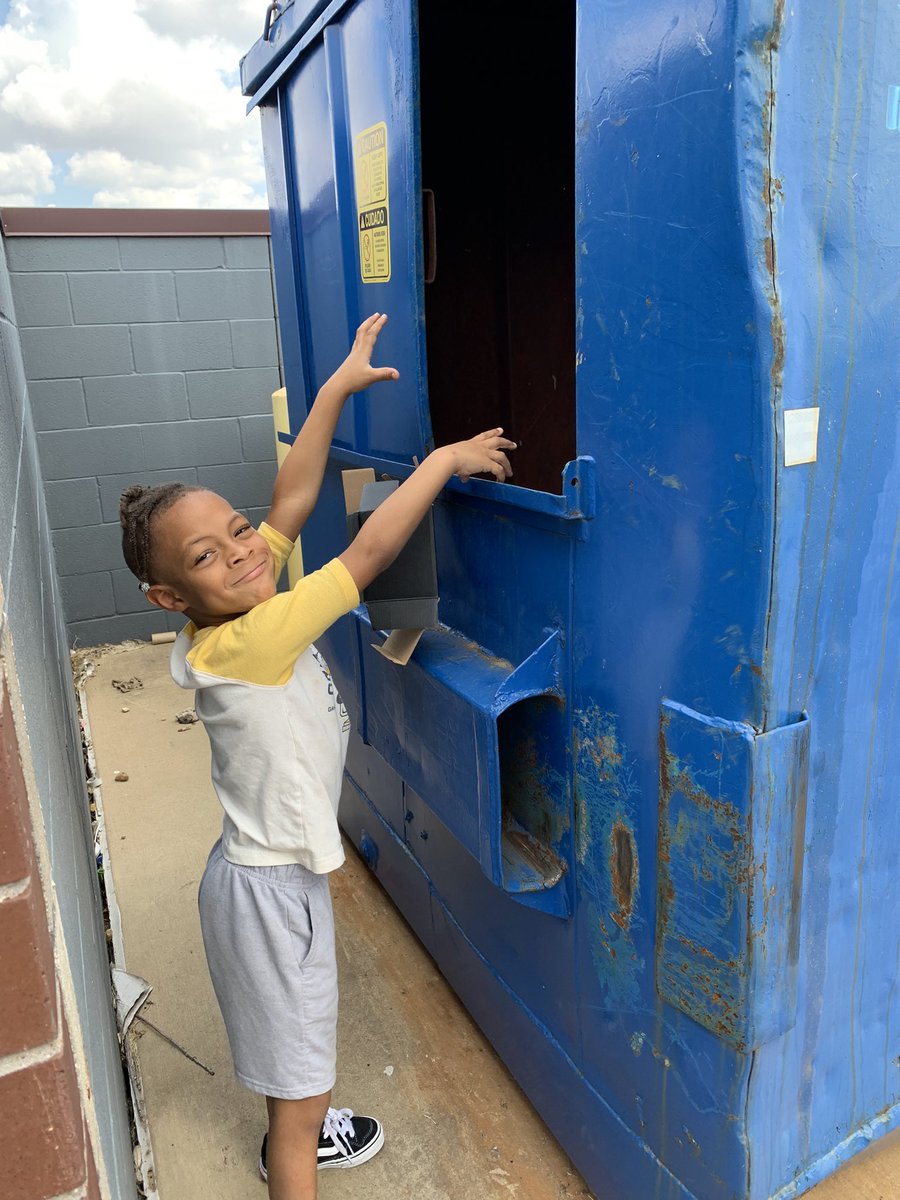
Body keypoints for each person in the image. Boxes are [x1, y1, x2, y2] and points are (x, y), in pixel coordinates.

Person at [118, 313, 516, 1200]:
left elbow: (291, 501)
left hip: (264, 877)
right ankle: (292, 1158)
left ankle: (296, 1133)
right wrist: (445, 461)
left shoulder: (233, 607)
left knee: (298, 1060)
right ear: (168, 595)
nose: (243, 551)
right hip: (269, 899)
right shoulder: (254, 637)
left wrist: (334, 388)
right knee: (302, 1090)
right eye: (208, 555)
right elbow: (369, 552)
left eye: (236, 530)